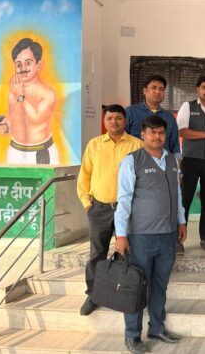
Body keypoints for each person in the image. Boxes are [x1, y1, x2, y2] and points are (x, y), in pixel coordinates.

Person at [114, 115, 187, 354]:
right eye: (152, 132)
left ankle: (156, 327)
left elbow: (177, 193)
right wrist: (121, 235)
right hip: (141, 236)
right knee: (136, 287)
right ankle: (132, 335)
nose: (157, 136)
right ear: (143, 135)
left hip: (168, 235)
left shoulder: (172, 160)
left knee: (159, 285)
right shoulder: (132, 161)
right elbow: (124, 199)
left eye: (161, 132)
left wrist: (181, 220)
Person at [76, 104, 143, 316]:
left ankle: (125, 293)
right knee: (97, 254)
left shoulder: (137, 145)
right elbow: (84, 176)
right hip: (99, 208)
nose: (114, 122)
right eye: (109, 118)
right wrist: (87, 204)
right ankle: (93, 295)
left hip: (128, 210)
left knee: (128, 252)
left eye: (118, 118)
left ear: (125, 120)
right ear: (104, 121)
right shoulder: (94, 145)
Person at [176, 75, 205, 252]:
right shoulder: (188, 106)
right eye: (204, 87)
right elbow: (182, 131)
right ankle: (178, 240)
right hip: (190, 160)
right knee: (185, 200)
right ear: (197, 89)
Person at [0, 38, 58, 164]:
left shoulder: (48, 93)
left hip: (41, 152)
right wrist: (7, 125)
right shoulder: (13, 92)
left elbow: (36, 118)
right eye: (18, 65)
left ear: (38, 65)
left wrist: (20, 95)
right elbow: (17, 119)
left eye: (28, 63)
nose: (23, 68)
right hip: (15, 150)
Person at [125, 74, 181, 161]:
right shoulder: (130, 112)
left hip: (163, 164)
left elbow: (175, 147)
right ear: (145, 91)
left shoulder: (169, 117)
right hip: (137, 162)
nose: (158, 92)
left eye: (161, 89)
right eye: (153, 88)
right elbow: (122, 140)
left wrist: (177, 165)